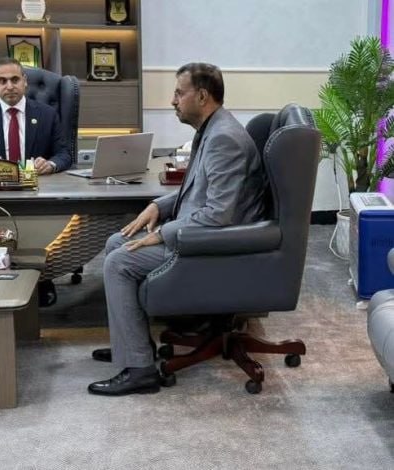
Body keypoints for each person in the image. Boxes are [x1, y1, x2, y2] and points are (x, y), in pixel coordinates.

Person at [87, 63, 266, 396]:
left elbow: (219, 214)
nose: (173, 100)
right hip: (200, 231)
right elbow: (198, 190)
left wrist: (162, 233)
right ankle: (133, 346)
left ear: (202, 96)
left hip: (216, 246)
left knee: (119, 262)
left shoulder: (224, 138)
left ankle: (140, 371)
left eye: (179, 93)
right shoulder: (212, 128)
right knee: (116, 241)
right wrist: (159, 206)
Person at [0, 58, 72, 175]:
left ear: (25, 81)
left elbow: (64, 154)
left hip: (37, 182)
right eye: (2, 81)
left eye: (15, 80)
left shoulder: (48, 114)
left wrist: (50, 165)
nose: (10, 87)